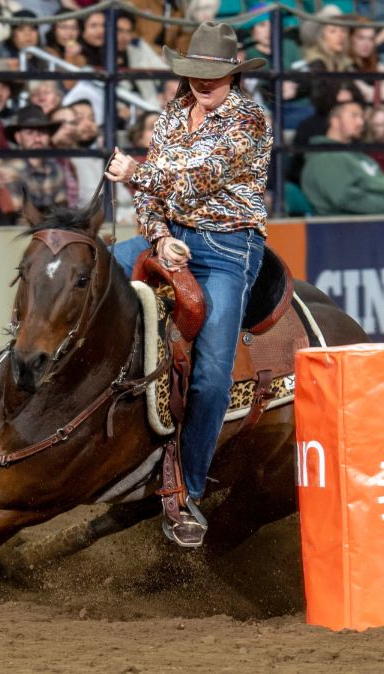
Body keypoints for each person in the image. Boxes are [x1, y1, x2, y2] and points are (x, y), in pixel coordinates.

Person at [104, 22, 272, 548]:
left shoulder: (249, 120)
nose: (203, 82)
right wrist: (156, 238)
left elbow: (199, 178)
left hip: (228, 249)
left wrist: (137, 171)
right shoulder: (175, 115)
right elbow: (154, 200)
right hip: (173, 237)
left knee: (213, 374)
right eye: (195, 72)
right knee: (95, 275)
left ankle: (186, 491)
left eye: (213, 74)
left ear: (232, 76)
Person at [301, 99, 384, 215]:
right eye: (354, 116)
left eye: (361, 117)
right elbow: (345, 199)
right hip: (354, 232)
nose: (360, 122)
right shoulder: (326, 158)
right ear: (335, 121)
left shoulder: (359, 156)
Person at [0, 104, 70, 216]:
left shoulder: (55, 168)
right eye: (30, 133)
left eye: (42, 132)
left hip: (50, 228)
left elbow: (61, 208)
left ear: (49, 137)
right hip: (15, 230)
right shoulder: (7, 170)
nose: (37, 138)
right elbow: (15, 212)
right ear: (18, 137)